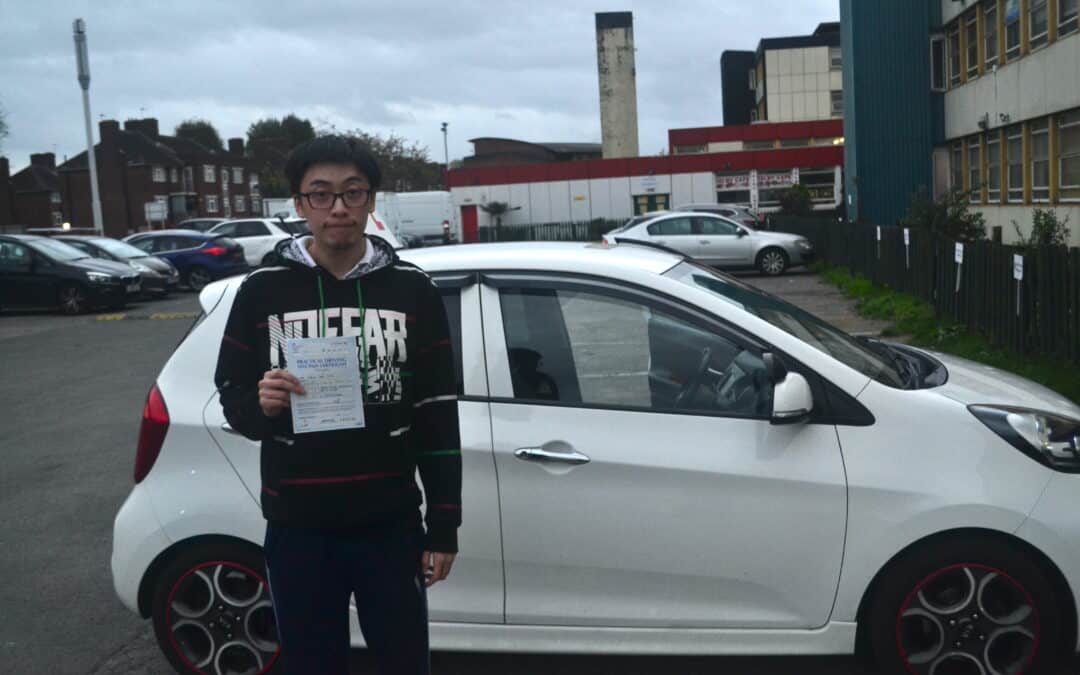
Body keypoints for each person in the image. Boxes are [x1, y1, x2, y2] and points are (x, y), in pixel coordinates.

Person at [214, 135, 461, 674]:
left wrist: (444, 526)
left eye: (353, 193)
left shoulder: (413, 291)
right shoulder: (262, 292)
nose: (339, 209)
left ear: (372, 201)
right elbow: (231, 396)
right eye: (321, 195)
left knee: (403, 663)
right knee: (311, 665)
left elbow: (436, 413)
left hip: (390, 523)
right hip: (298, 527)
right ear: (300, 205)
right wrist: (262, 405)